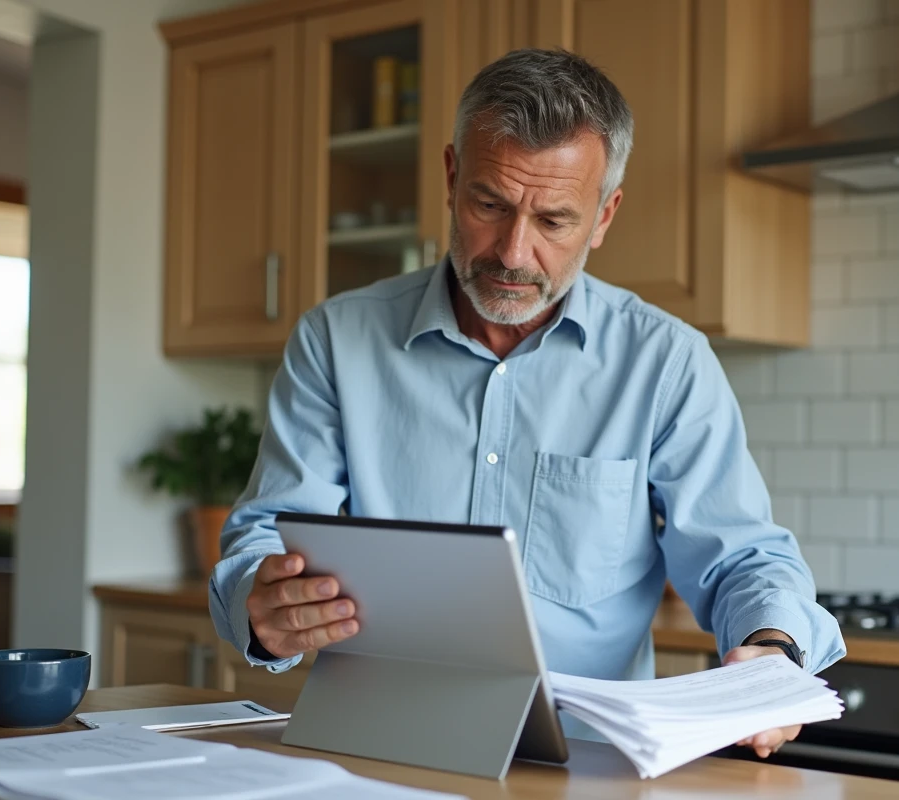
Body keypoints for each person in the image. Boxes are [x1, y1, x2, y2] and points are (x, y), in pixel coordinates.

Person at [209, 48, 845, 759]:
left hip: (580, 765)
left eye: (554, 221)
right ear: (452, 178)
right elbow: (267, 533)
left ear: (604, 216)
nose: (513, 252)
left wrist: (770, 644)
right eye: (491, 204)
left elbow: (741, 558)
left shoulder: (666, 363)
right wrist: (262, 609)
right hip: (373, 752)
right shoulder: (336, 339)